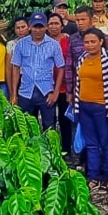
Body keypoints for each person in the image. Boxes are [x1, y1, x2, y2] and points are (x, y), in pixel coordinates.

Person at [73, 28, 108, 189]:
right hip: (85, 106)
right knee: (91, 144)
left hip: (103, 106)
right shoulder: (82, 59)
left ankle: (107, 176)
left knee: (106, 142)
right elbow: (78, 84)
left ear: (101, 42)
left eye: (93, 41)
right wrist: (76, 107)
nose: (89, 45)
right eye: (86, 42)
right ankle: (93, 176)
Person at [9, 12, 65, 132]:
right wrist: (14, 94)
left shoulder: (54, 45)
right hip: (25, 92)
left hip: (46, 92)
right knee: (25, 127)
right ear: (30, 27)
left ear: (46, 27)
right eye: (35, 27)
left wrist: (55, 93)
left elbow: (61, 68)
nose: (38, 30)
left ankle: (50, 150)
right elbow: (16, 68)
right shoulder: (21, 44)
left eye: (40, 27)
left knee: (49, 128)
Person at [64, 7, 108, 112]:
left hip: (101, 91)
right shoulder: (73, 39)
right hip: (79, 89)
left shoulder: (104, 38)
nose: (80, 23)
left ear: (91, 20)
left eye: (83, 20)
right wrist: (69, 91)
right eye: (77, 20)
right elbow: (69, 66)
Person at [47, 13, 75, 156]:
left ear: (62, 25)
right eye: (50, 24)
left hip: (65, 87)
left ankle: (66, 150)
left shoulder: (68, 40)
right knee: (49, 120)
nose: (53, 26)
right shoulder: (43, 41)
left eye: (56, 23)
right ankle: (51, 150)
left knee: (65, 120)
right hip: (47, 87)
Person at [5, 17, 30, 92]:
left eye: (23, 27)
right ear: (15, 30)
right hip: (17, 78)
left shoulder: (36, 42)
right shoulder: (11, 44)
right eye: (18, 28)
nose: (21, 30)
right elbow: (9, 69)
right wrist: (11, 91)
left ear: (29, 27)